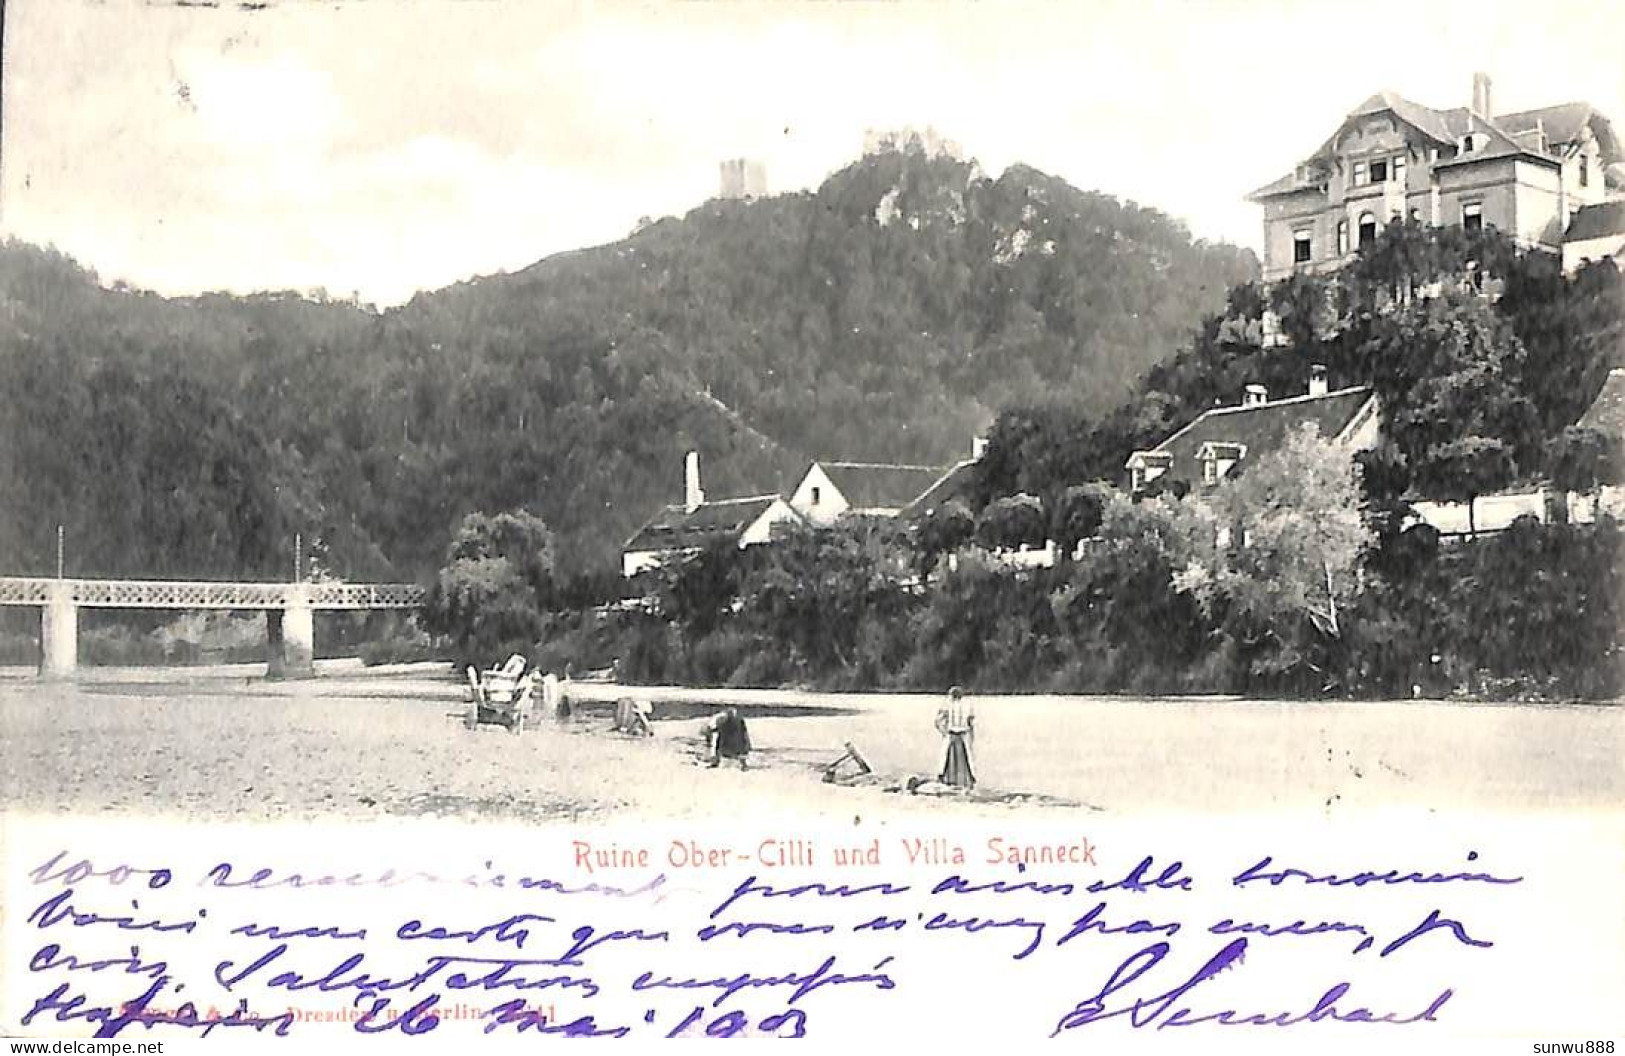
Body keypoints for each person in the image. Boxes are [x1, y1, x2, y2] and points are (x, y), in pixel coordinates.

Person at [934, 686, 975, 789]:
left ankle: (943, 776)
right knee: (966, 756)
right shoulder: (967, 706)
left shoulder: (947, 705)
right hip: (961, 734)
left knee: (945, 755)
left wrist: (943, 731)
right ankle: (968, 779)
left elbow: (937, 721)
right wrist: (971, 735)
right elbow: (971, 723)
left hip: (953, 734)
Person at [703, 705, 751, 770]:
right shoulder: (737, 721)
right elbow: (744, 731)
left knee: (720, 748)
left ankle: (717, 762)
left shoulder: (725, 721)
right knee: (739, 751)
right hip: (733, 742)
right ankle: (743, 764)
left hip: (729, 742)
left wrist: (710, 731)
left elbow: (717, 729)